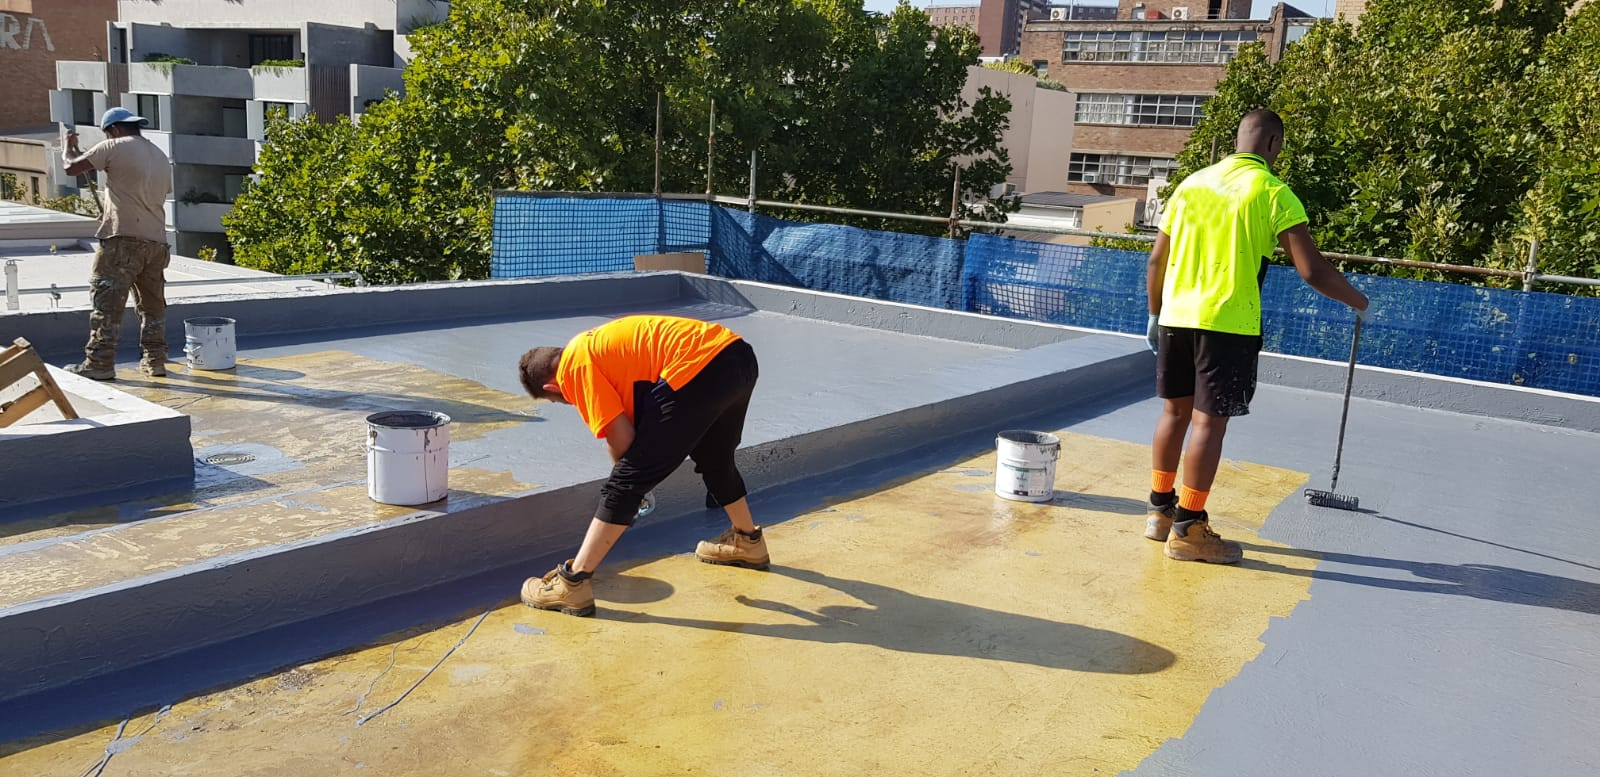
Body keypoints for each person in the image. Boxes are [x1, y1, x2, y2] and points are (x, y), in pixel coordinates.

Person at [1143, 109, 1370, 564]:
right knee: (1208, 424)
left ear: (1237, 140)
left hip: (1175, 317)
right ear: (1273, 144)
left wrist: (1155, 313)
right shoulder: (1272, 192)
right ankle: (1189, 529)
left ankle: (1159, 512)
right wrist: (1359, 301)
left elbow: (1156, 261)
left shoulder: (1191, 185)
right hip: (1227, 324)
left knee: (1174, 413)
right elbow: (1312, 270)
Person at [516, 314, 766, 616]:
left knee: (625, 482)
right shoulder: (591, 345)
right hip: (736, 355)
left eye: (557, 400)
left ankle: (573, 583)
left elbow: (621, 437)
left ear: (552, 387)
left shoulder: (575, 368)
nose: (568, 402)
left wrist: (633, 488)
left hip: (696, 369)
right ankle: (748, 541)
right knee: (716, 458)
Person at [61, 107, 173, 381]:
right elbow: (138, 192)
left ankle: (99, 363)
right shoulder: (159, 155)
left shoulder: (113, 145)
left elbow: (71, 167)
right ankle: (155, 361)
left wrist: (68, 147)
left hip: (123, 241)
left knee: (107, 302)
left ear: (114, 129)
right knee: (152, 306)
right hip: (156, 242)